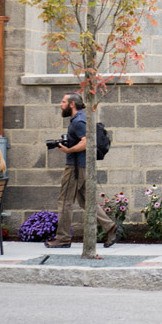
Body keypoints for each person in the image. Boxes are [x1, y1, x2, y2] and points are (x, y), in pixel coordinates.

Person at [45, 93, 118, 249]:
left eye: (63, 101)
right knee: (87, 202)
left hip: (75, 168)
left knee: (65, 202)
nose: (60, 104)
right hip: (81, 167)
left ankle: (63, 238)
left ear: (72, 104)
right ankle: (110, 226)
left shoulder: (78, 121)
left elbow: (86, 142)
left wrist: (69, 150)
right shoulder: (82, 118)